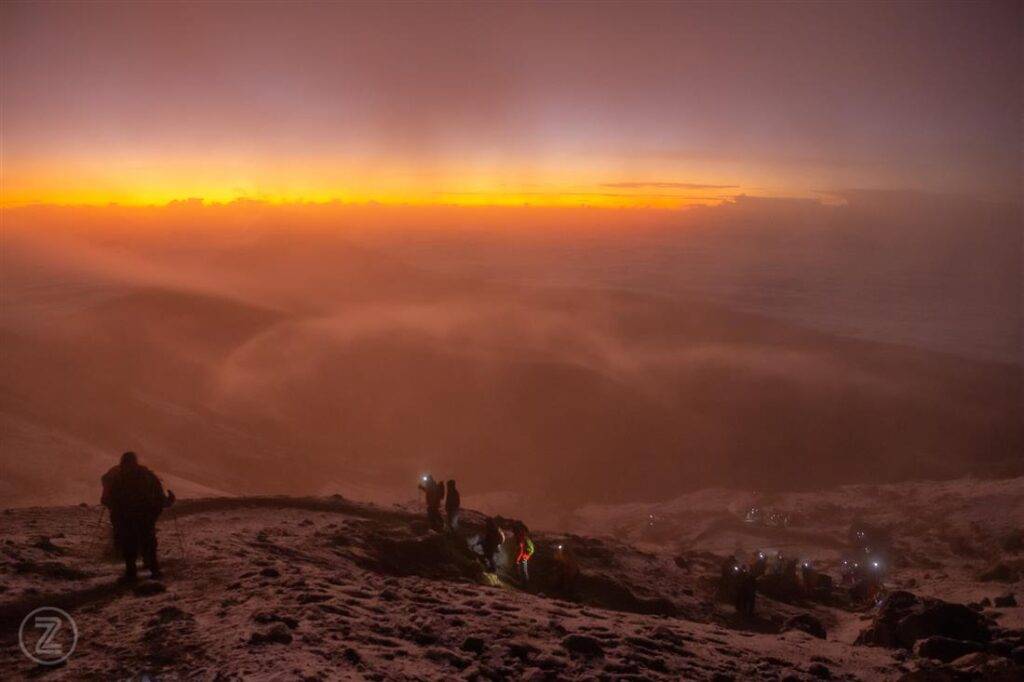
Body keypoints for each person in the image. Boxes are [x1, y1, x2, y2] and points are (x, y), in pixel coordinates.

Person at [100, 451, 174, 582]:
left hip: (125, 518)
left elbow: (108, 499)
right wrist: (166, 501)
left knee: (129, 544)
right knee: (148, 542)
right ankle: (154, 569)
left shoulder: (118, 477)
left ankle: (131, 572)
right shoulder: (147, 476)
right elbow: (160, 498)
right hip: (145, 517)